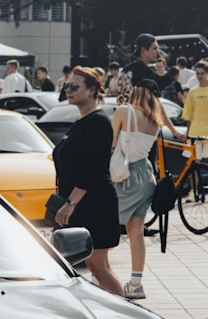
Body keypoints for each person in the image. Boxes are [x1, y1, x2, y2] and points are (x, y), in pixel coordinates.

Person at [51, 66, 122, 296]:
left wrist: (70, 203)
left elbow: (91, 169)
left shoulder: (98, 122)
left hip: (95, 204)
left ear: (92, 90)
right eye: (66, 86)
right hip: (84, 204)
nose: (68, 90)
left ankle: (125, 315)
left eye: (74, 86)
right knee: (97, 266)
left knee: (98, 266)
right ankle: (117, 311)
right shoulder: (83, 122)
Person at [112, 81, 163, 299]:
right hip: (146, 176)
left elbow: (112, 142)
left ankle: (99, 276)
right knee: (136, 231)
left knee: (105, 224)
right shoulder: (156, 121)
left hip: (125, 176)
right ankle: (136, 283)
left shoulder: (124, 111)